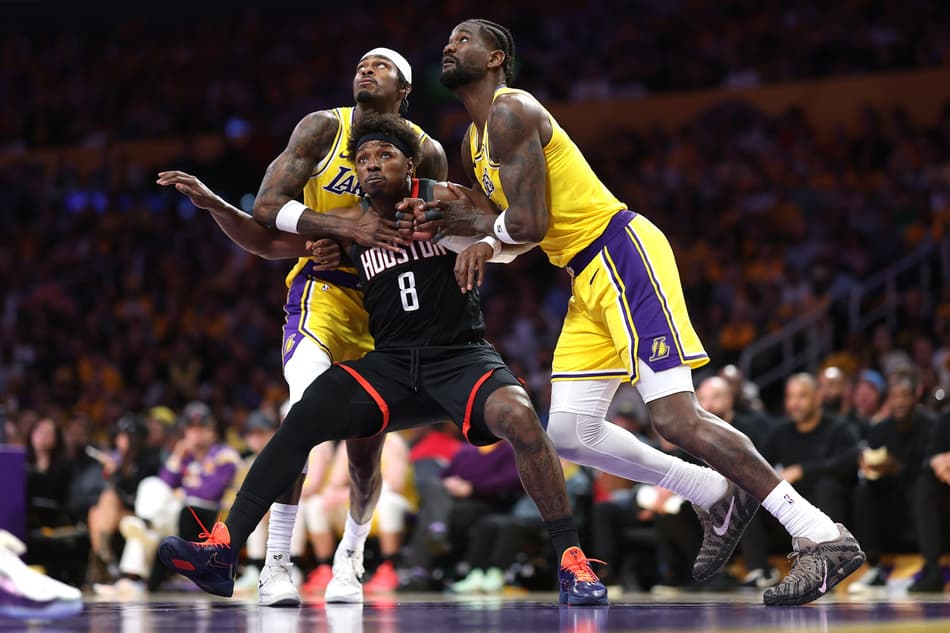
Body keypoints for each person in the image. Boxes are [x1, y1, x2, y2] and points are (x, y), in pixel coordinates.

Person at [405, 18, 865, 605]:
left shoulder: (510, 110)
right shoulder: (474, 142)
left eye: (465, 37)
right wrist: (476, 238)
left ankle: (821, 536)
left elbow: (527, 224)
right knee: (569, 432)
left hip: (620, 254)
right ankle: (712, 493)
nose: (449, 44)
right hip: (581, 277)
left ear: (496, 58)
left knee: (676, 418)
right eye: (447, 38)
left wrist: (477, 232)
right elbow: (519, 235)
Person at [157, 112, 607, 607]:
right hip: (390, 363)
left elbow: (520, 230)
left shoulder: (443, 197)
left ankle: (572, 561)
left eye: (384, 156)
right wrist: (216, 205)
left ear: (409, 162)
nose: (372, 165)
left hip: (459, 357)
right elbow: (265, 240)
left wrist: (484, 241)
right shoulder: (349, 224)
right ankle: (222, 549)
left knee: (520, 416)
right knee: (302, 413)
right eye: (363, 159)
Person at [157, 46, 447, 606]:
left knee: (366, 454)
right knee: (303, 416)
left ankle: (352, 558)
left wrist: (367, 246)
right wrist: (224, 206)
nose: (365, 68)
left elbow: (428, 237)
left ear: (404, 92)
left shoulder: (426, 152)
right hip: (320, 295)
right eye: (361, 62)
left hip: (386, 307)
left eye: (381, 65)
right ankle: (276, 565)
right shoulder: (322, 128)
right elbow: (268, 220)